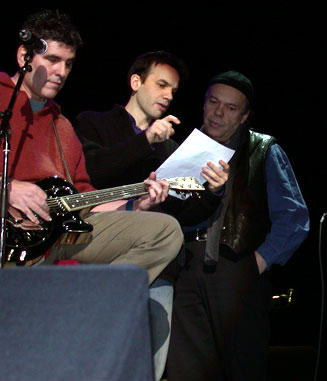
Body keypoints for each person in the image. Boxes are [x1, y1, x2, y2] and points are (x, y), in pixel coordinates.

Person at [73, 51, 229, 380]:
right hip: (100, 260)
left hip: (156, 274)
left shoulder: (170, 149)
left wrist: (213, 191)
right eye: (161, 84)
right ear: (135, 82)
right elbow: (91, 171)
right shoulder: (93, 123)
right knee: (93, 361)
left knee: (147, 368)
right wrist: (145, 140)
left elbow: (183, 212)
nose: (168, 95)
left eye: (173, 90)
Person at [1, 10, 183, 286]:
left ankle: (94, 298)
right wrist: (8, 188)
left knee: (165, 231)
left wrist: (135, 205)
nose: (61, 72)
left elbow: (84, 199)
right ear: (24, 56)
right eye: (52, 60)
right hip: (9, 239)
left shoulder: (63, 127)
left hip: (57, 237)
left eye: (68, 64)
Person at [166, 70, 310, 381]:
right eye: (213, 102)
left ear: (244, 116)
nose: (218, 112)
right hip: (186, 267)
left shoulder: (263, 149)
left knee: (242, 367)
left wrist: (257, 263)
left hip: (235, 268)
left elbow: (294, 218)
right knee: (185, 368)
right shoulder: (183, 150)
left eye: (230, 108)